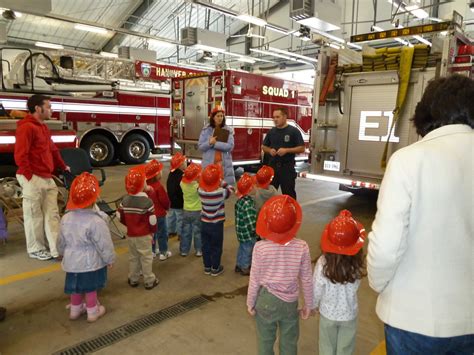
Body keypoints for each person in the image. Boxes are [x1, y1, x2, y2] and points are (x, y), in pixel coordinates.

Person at [367, 75, 474, 354]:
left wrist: (380, 285)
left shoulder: (409, 159)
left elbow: (386, 245)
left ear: (425, 113)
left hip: (412, 317)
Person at [247, 195, 313, 355]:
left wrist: (250, 302)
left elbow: (254, 278)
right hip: (290, 302)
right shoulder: (302, 247)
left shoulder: (260, 248)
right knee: (289, 342)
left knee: (265, 341)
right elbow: (306, 279)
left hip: (266, 300)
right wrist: (309, 304)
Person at [14, 94, 70, 261]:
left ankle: (55, 249)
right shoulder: (26, 128)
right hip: (33, 177)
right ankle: (36, 249)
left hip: (45, 176)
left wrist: (62, 165)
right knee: (34, 216)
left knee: (51, 214)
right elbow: (20, 155)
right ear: (38, 109)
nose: (51, 110)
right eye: (48, 107)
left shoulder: (43, 127)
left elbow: (52, 149)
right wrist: (30, 176)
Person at [58, 173, 115, 322]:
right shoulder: (96, 221)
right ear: (94, 198)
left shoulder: (65, 218)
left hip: (71, 262)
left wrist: (61, 252)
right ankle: (92, 312)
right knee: (90, 288)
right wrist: (109, 259)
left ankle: (75, 310)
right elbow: (104, 243)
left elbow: (61, 240)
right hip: (90, 263)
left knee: (75, 287)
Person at [313, 210, 367, 355]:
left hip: (327, 314)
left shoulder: (323, 262)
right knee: (345, 349)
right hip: (349, 314)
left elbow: (316, 288)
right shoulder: (356, 264)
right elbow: (355, 286)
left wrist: (313, 305)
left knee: (326, 347)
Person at [118, 168, 159, 290]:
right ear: (143, 185)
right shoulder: (147, 202)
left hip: (131, 235)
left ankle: (133, 278)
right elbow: (152, 221)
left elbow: (120, 216)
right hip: (144, 235)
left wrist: (129, 225)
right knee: (146, 257)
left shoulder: (125, 200)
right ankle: (149, 280)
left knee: (133, 257)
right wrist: (152, 232)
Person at [198, 164, 233, 276]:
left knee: (206, 245)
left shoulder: (200, 191)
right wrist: (221, 181)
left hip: (204, 223)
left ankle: (207, 266)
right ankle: (215, 268)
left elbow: (199, 184)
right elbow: (231, 189)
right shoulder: (221, 193)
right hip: (217, 225)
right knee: (216, 246)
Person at [261, 108, 305, 200]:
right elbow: (264, 147)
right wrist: (270, 150)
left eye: (278, 117)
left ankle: (291, 212)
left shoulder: (293, 131)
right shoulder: (272, 132)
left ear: (285, 117)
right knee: (269, 194)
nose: (275, 119)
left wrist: (287, 150)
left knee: (289, 195)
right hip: (272, 168)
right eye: (274, 117)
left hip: (287, 169)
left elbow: (302, 148)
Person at [198, 106, 235, 186]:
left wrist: (215, 144)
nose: (220, 118)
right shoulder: (206, 130)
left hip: (223, 165)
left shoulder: (228, 130)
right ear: (213, 117)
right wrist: (209, 143)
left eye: (221, 116)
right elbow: (200, 146)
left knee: (223, 190)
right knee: (210, 188)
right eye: (218, 116)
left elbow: (230, 146)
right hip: (209, 165)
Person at [145, 160, 171, 261]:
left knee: (152, 234)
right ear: (156, 175)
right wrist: (167, 208)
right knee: (162, 234)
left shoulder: (145, 187)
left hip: (149, 215)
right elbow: (164, 200)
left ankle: (152, 251)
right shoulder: (159, 187)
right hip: (159, 215)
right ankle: (163, 252)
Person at [234, 173, 257, 276]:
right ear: (250, 189)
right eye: (255, 185)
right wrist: (256, 230)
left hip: (241, 232)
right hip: (248, 234)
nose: (257, 187)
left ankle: (239, 264)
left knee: (242, 248)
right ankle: (245, 267)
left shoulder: (240, 201)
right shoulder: (248, 204)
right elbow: (250, 222)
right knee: (248, 251)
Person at [180, 162, 202, 257]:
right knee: (197, 231)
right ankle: (198, 250)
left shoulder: (182, 184)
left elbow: (184, 179)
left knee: (185, 231)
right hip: (197, 211)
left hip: (186, 210)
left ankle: (184, 250)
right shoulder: (197, 186)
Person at [166, 152, 186, 239]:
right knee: (180, 218)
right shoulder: (182, 176)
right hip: (179, 202)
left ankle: (170, 231)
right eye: (184, 162)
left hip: (171, 201)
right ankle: (180, 234)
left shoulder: (171, 174)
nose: (186, 163)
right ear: (180, 165)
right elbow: (182, 190)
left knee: (171, 217)